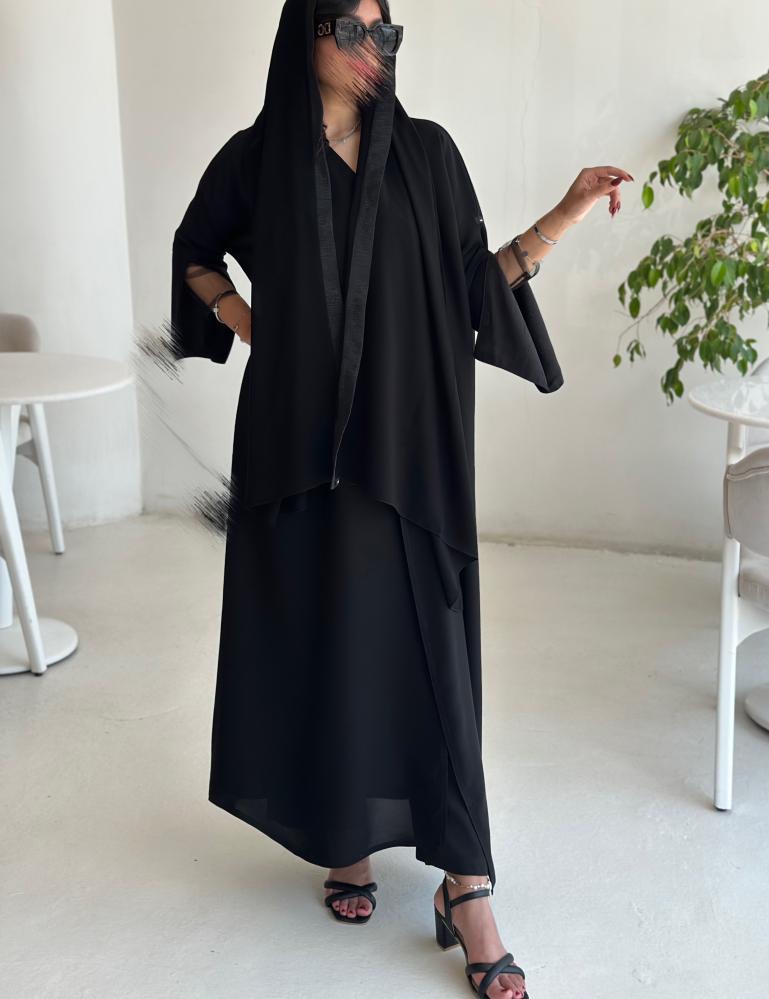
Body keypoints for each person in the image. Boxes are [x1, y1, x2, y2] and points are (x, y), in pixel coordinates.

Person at [170, 2, 631, 997]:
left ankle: (467, 888)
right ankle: (346, 839)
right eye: (352, 27)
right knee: (328, 637)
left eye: (386, 32)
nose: (372, 48)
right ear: (304, 34)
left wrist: (564, 213)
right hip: (296, 449)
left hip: (408, 444)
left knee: (430, 650)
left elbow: (472, 288)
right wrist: (254, 326)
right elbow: (196, 253)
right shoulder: (257, 159)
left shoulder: (427, 155)